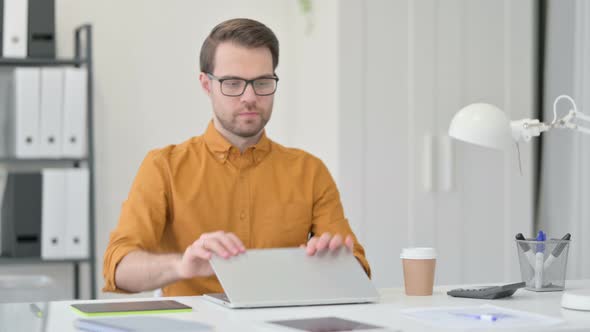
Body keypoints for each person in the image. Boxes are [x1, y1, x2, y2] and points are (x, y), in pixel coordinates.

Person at [103, 18, 370, 296]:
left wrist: (336, 266)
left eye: (263, 82)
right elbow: (119, 267)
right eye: (232, 83)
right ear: (206, 85)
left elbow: (359, 271)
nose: (250, 97)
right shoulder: (164, 167)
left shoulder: (310, 171)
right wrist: (182, 266)